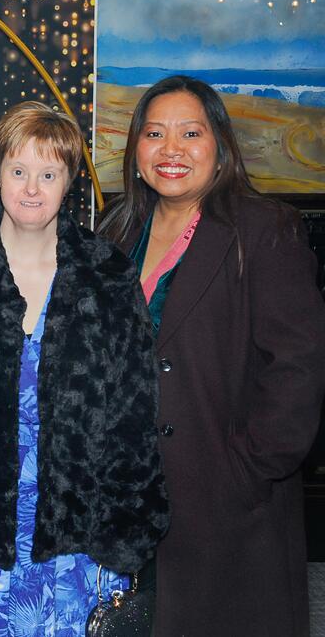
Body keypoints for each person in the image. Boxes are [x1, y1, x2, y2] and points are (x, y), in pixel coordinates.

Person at [0, 102, 170, 636]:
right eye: (19, 171)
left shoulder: (108, 278)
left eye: (49, 174)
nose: (32, 189)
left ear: (69, 181)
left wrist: (124, 528)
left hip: (75, 540)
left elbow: (132, 418)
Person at [98, 75, 325, 636]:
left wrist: (249, 469)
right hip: (128, 500)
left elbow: (297, 366)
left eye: (190, 133)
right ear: (136, 149)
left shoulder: (262, 228)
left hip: (227, 502)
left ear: (219, 144)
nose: (170, 149)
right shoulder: (116, 232)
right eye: (154, 133)